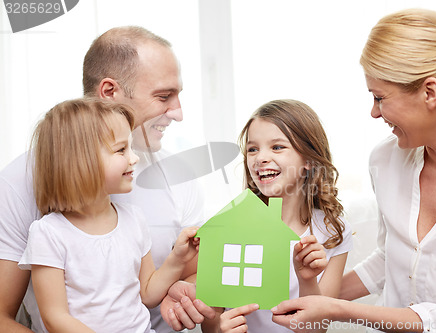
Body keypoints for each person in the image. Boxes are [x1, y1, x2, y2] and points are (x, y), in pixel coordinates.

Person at [271, 8, 436, 333]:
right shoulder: (386, 161)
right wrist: (296, 298)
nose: (374, 113)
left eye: (380, 97)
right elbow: (390, 258)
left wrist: (336, 309)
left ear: (430, 92)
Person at [0, 26, 213, 333]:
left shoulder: (172, 182)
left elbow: (169, 281)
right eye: (164, 96)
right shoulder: (21, 187)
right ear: (110, 92)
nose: (178, 113)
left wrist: (181, 285)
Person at [17, 98, 200, 332]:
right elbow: (55, 317)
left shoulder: (134, 220)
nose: (134, 158)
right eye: (121, 149)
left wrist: (177, 259)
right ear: (81, 161)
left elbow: (147, 293)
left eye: (131, 148)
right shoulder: (48, 233)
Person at [201, 99, 353, 333]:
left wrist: (307, 279)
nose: (260, 158)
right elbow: (210, 320)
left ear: (309, 160)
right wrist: (217, 328)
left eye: (277, 147)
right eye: (253, 149)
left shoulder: (332, 231)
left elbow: (317, 329)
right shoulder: (230, 224)